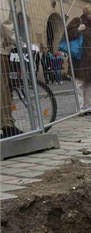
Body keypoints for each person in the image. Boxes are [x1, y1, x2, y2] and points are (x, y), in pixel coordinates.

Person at [67, 6, 91, 110]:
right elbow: (67, 35)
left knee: (90, 84)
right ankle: (80, 108)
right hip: (79, 59)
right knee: (79, 85)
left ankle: (89, 106)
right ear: (86, 13)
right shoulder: (78, 21)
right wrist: (77, 30)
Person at [1, 2, 24, 138]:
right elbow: (4, 23)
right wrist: (19, 42)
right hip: (1, 51)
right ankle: (7, 126)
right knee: (3, 90)